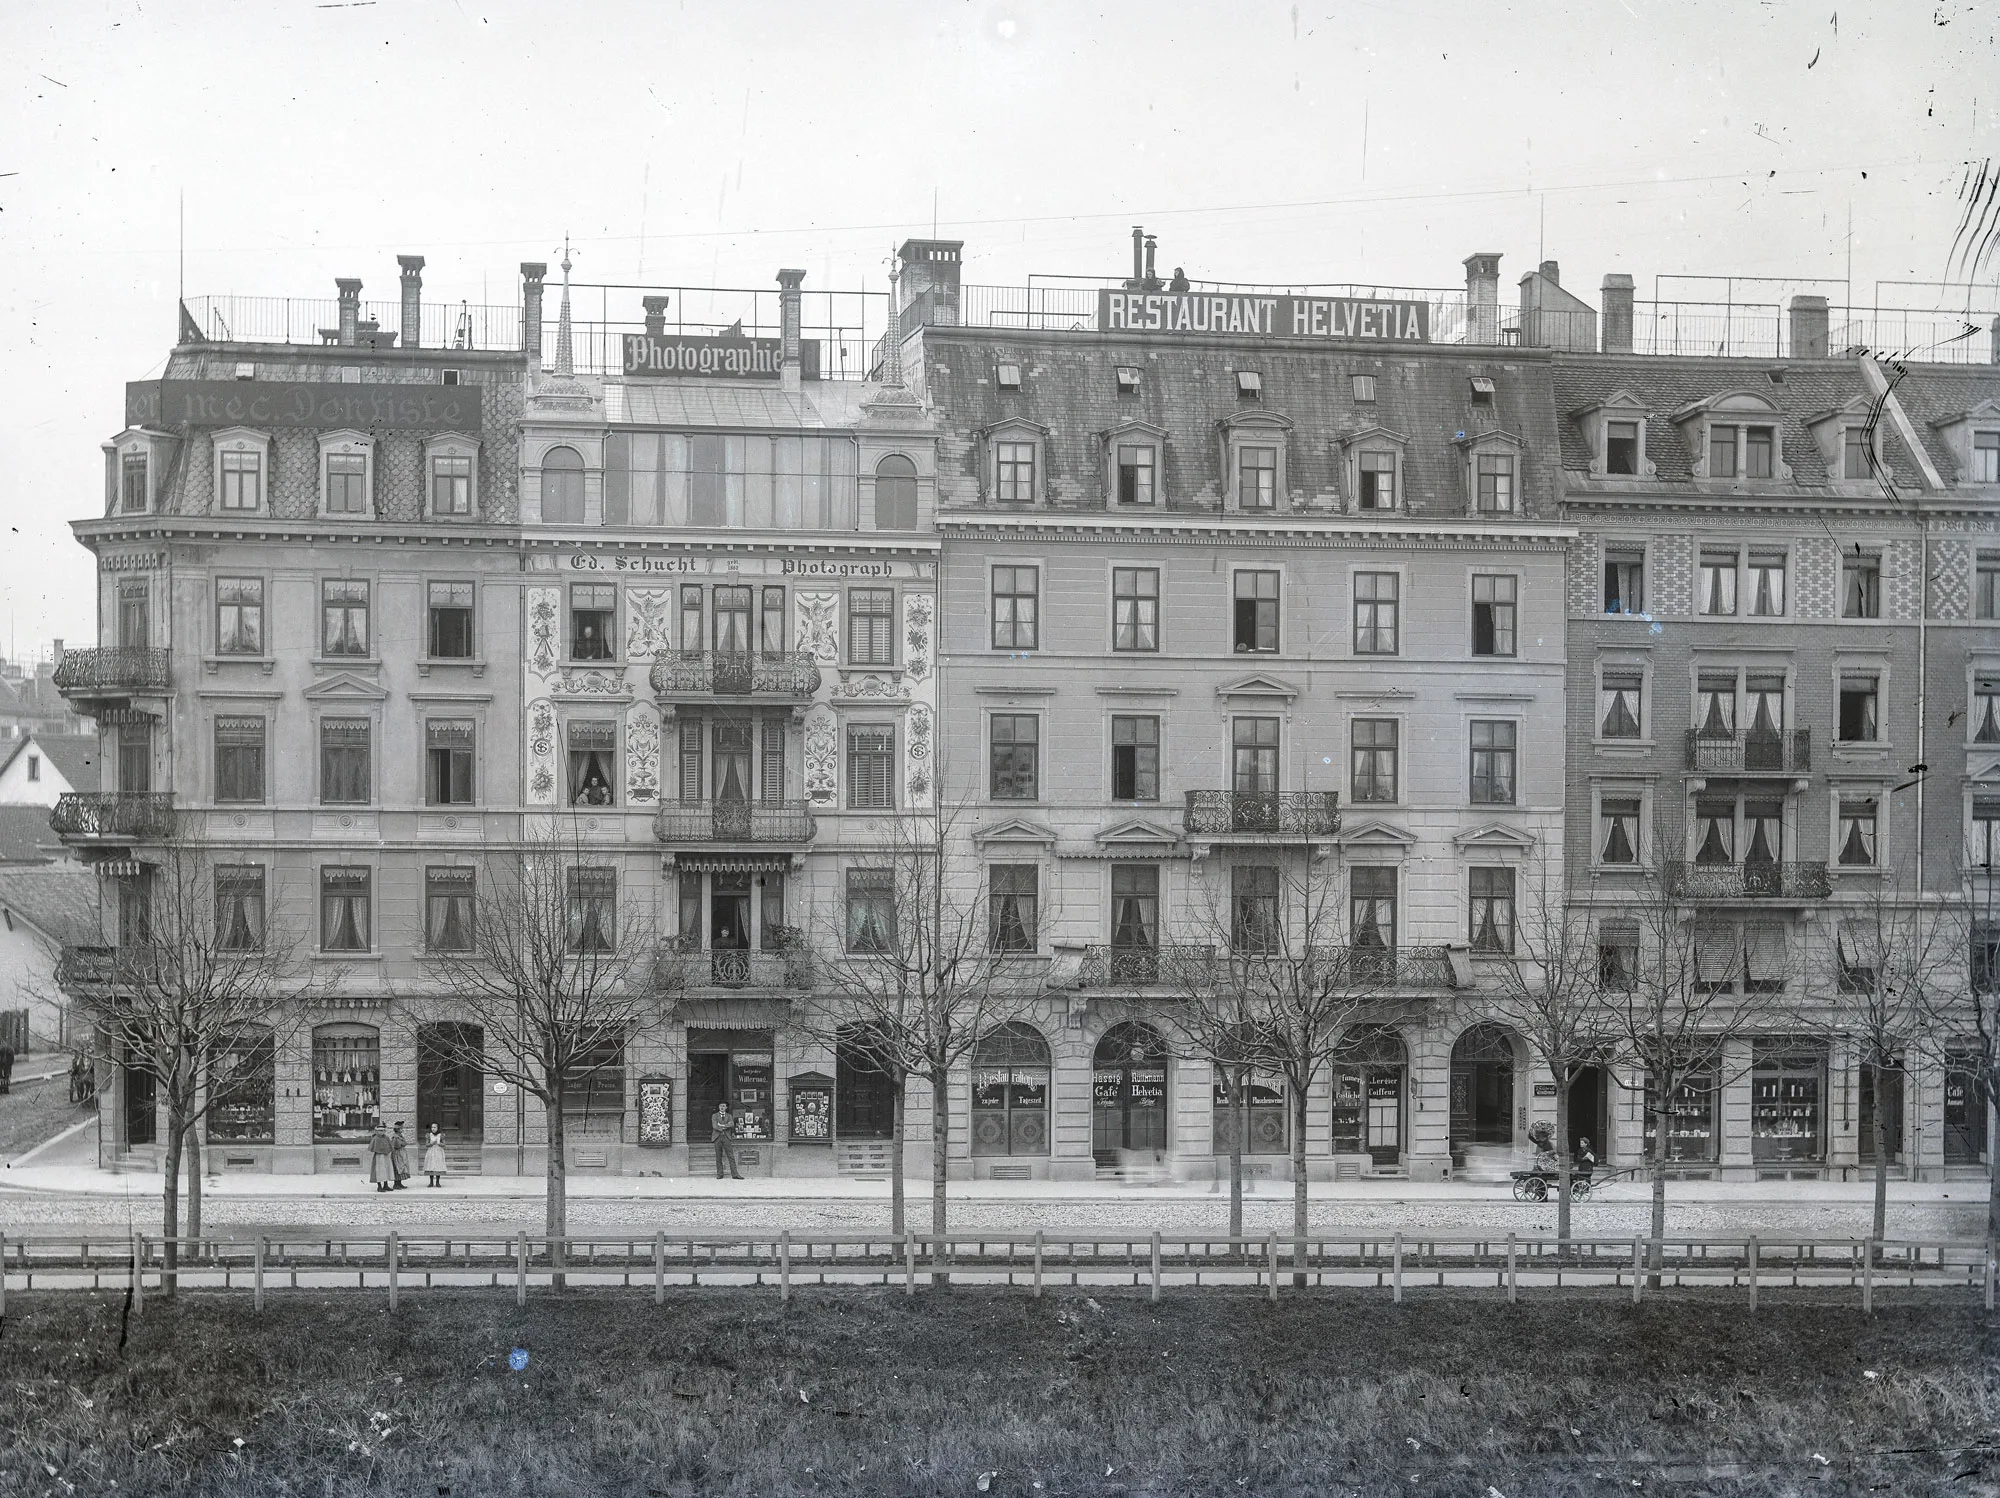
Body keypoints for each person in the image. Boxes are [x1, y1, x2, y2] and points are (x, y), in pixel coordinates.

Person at [711, 1100, 743, 1180]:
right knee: (718, 1157)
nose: (722, 1107)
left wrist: (721, 1125)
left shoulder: (729, 1116)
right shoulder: (714, 1116)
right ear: (718, 1107)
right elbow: (714, 1126)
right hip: (717, 1138)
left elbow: (731, 1124)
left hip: (726, 1137)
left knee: (731, 1156)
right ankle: (720, 1174)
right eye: (721, 1106)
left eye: (724, 1106)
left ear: (726, 1107)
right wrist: (725, 1126)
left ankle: (735, 1174)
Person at [368, 1122, 395, 1193]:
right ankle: (379, 1186)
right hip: (379, 1157)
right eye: (380, 1131)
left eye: (383, 1130)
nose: (382, 1132)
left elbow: (390, 1146)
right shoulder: (375, 1138)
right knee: (379, 1171)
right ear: (377, 1131)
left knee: (386, 1170)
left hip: (386, 1156)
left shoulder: (386, 1138)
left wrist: (388, 1151)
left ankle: (385, 1185)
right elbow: (372, 1148)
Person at [422, 1123, 447, 1188]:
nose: (433, 1129)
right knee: (431, 1165)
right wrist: (431, 1143)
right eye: (432, 1127)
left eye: (435, 1127)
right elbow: (426, 1144)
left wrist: (439, 1143)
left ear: (438, 1128)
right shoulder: (429, 1135)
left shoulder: (441, 1135)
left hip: (438, 1151)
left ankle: (437, 1182)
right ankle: (431, 1182)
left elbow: (444, 1144)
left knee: (438, 1166)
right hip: (431, 1151)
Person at [390, 1121, 412, 1190]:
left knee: (402, 1167)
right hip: (397, 1154)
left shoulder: (400, 1136)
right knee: (398, 1168)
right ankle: (396, 1184)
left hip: (401, 1153)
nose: (402, 1130)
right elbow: (396, 1145)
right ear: (398, 1129)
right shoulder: (395, 1137)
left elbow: (405, 1143)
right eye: (401, 1129)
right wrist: (402, 1144)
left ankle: (399, 1183)